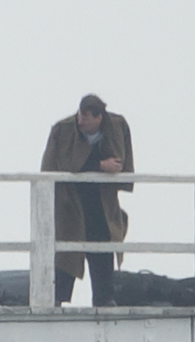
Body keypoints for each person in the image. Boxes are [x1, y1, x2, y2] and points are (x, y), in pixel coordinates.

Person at [41, 93, 133, 307]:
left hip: (102, 200)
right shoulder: (63, 129)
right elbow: (62, 162)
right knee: (66, 252)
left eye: (87, 117)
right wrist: (100, 165)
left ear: (99, 117)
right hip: (71, 199)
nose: (81, 121)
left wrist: (119, 176)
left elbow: (122, 161)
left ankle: (103, 299)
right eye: (80, 115)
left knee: (102, 248)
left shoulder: (116, 127)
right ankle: (56, 299)